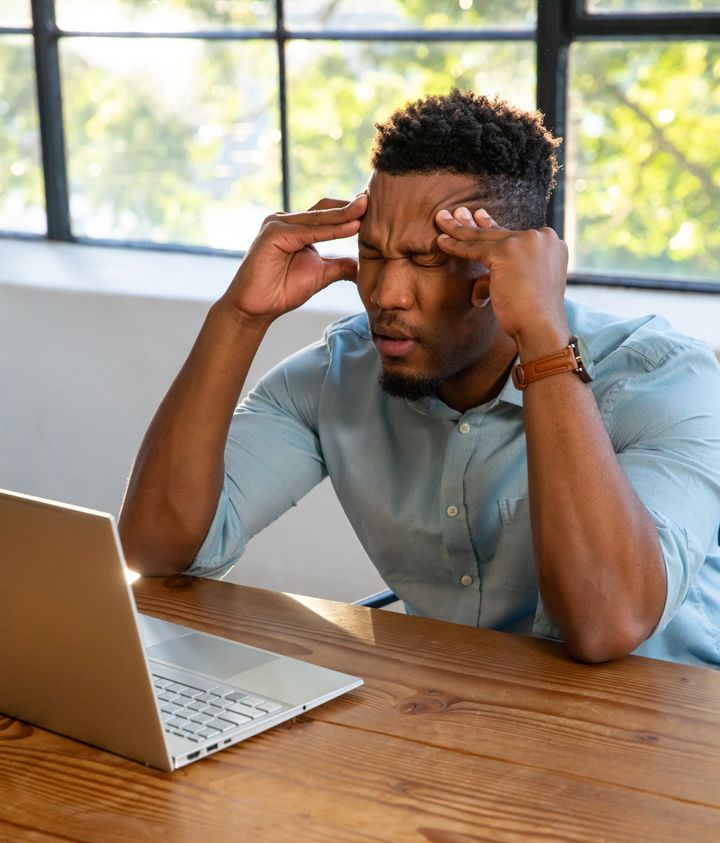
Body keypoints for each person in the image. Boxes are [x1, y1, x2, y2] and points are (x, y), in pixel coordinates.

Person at [119, 90, 720, 667]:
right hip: (447, 712)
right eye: (374, 253)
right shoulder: (334, 378)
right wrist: (240, 317)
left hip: (671, 726)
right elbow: (155, 550)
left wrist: (542, 338)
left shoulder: (665, 380)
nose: (384, 294)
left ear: (500, 267)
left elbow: (605, 625)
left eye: (427, 260)